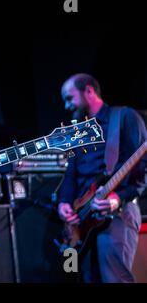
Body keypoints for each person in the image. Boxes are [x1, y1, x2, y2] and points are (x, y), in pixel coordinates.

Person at [57, 73, 146, 283]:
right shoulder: (78, 131)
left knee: (114, 279)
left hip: (118, 213)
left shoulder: (124, 117)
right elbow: (71, 173)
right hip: (83, 218)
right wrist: (64, 203)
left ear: (89, 90)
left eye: (69, 98)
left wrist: (118, 198)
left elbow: (142, 169)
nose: (67, 105)